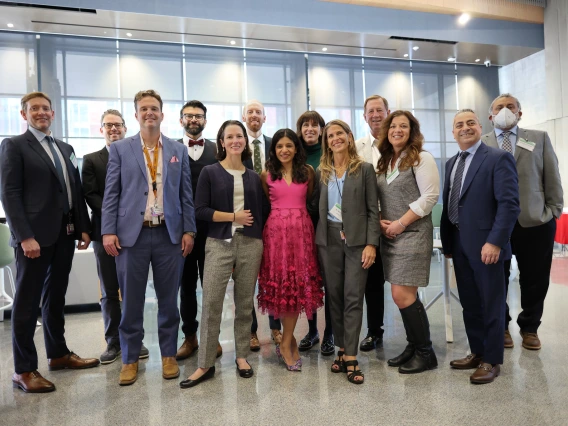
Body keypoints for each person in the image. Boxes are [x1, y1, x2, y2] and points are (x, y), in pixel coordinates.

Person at [0, 91, 98, 394]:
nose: (41, 113)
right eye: (34, 109)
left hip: (65, 235)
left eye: (46, 108)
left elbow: (74, 191)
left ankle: (58, 354)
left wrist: (83, 228)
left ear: (53, 114)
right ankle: (24, 369)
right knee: (27, 303)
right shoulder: (15, 146)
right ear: (24, 113)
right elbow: (9, 193)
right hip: (34, 239)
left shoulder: (65, 147)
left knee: (55, 297)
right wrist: (24, 236)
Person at [101, 89, 196, 386]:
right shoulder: (120, 149)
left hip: (169, 235)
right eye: (144, 109)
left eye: (154, 108)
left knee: (169, 300)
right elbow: (111, 194)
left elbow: (186, 196)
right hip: (133, 237)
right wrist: (108, 230)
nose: (149, 113)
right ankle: (129, 358)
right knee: (131, 302)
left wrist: (189, 230)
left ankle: (168, 354)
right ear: (137, 114)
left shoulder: (177, 150)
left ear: (162, 114)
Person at [181, 120, 264, 388]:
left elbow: (262, 212)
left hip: (250, 244)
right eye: (230, 136)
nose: (236, 140)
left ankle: (242, 356)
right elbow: (200, 210)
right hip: (218, 242)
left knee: (244, 304)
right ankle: (205, 363)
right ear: (222, 142)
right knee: (212, 303)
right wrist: (233, 217)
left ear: (244, 141)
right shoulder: (210, 172)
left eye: (239, 136)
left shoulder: (252, 175)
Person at [441, 109, 520, 384]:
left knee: (492, 304)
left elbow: (509, 205)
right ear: (453, 133)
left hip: (488, 246)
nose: (465, 128)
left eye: (470, 123)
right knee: (471, 303)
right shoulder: (452, 163)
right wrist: (449, 242)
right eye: (459, 125)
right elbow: (454, 202)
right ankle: (476, 351)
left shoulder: (499, 158)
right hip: (460, 244)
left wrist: (495, 242)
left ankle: (492, 360)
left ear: (480, 127)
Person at [482, 93, 563, 351]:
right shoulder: (482, 143)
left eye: (510, 107)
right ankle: (502, 325)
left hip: (535, 220)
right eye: (499, 107)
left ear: (520, 112)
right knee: (497, 278)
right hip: (495, 224)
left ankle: (530, 327)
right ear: (490, 115)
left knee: (535, 278)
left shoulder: (537, 138)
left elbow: (552, 174)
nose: (505, 110)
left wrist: (554, 210)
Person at [314, 119, 379, 385]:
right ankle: (341, 347)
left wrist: (371, 244)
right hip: (328, 238)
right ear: (326, 142)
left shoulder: (364, 169)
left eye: (339, 134)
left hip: (356, 239)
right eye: (330, 136)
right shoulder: (323, 171)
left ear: (350, 137)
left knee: (353, 296)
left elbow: (373, 209)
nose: (335, 139)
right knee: (335, 297)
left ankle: (350, 355)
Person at [82, 109, 149, 364]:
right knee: (110, 290)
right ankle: (113, 342)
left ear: (125, 128)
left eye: (118, 125)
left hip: (135, 234)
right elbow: (91, 195)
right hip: (104, 233)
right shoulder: (91, 160)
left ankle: (135, 338)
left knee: (133, 289)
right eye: (108, 125)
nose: (113, 129)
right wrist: (119, 217)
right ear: (101, 130)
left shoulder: (137, 155)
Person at [376, 110, 440, 374]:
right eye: (393, 126)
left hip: (412, 233)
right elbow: (381, 197)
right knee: (404, 295)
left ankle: (426, 353)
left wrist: (400, 223)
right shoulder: (385, 161)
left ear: (412, 131)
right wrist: (380, 218)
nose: (397, 130)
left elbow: (429, 197)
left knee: (402, 295)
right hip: (390, 235)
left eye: (403, 126)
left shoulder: (421, 158)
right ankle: (414, 346)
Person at [257, 129, 324, 370]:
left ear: (296, 148)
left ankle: (287, 340)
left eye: (289, 145)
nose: (284, 150)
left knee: (297, 288)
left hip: (302, 233)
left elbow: (310, 202)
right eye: (279, 146)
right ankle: (287, 340)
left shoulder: (307, 172)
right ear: (273, 150)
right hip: (276, 236)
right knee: (283, 288)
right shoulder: (266, 174)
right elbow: (266, 204)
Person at [175, 100, 222, 361]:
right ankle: (190, 337)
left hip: (212, 230)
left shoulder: (218, 150)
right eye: (189, 116)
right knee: (186, 287)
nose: (194, 120)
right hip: (181, 231)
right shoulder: (170, 148)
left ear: (205, 120)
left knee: (212, 287)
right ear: (181, 119)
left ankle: (211, 337)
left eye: (199, 116)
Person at [241, 99, 282, 350]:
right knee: (248, 281)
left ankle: (276, 328)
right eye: (250, 112)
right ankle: (251, 331)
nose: (254, 115)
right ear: (244, 117)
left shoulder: (274, 147)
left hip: (273, 220)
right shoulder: (236, 145)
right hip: (245, 220)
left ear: (265, 118)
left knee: (272, 278)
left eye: (258, 112)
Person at [295, 111, 334, 356]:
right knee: (308, 282)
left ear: (321, 129)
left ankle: (329, 332)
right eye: (305, 125)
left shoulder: (329, 154)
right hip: (301, 228)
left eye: (315, 125)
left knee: (329, 281)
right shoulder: (294, 156)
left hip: (328, 226)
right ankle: (312, 330)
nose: (310, 128)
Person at [355, 95, 390, 351]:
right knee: (373, 281)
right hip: (370, 222)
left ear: (388, 112)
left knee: (401, 282)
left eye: (380, 110)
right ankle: (374, 331)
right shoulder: (356, 147)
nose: (375, 115)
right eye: (371, 111)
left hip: (399, 221)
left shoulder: (400, 144)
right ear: (364, 116)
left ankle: (416, 338)